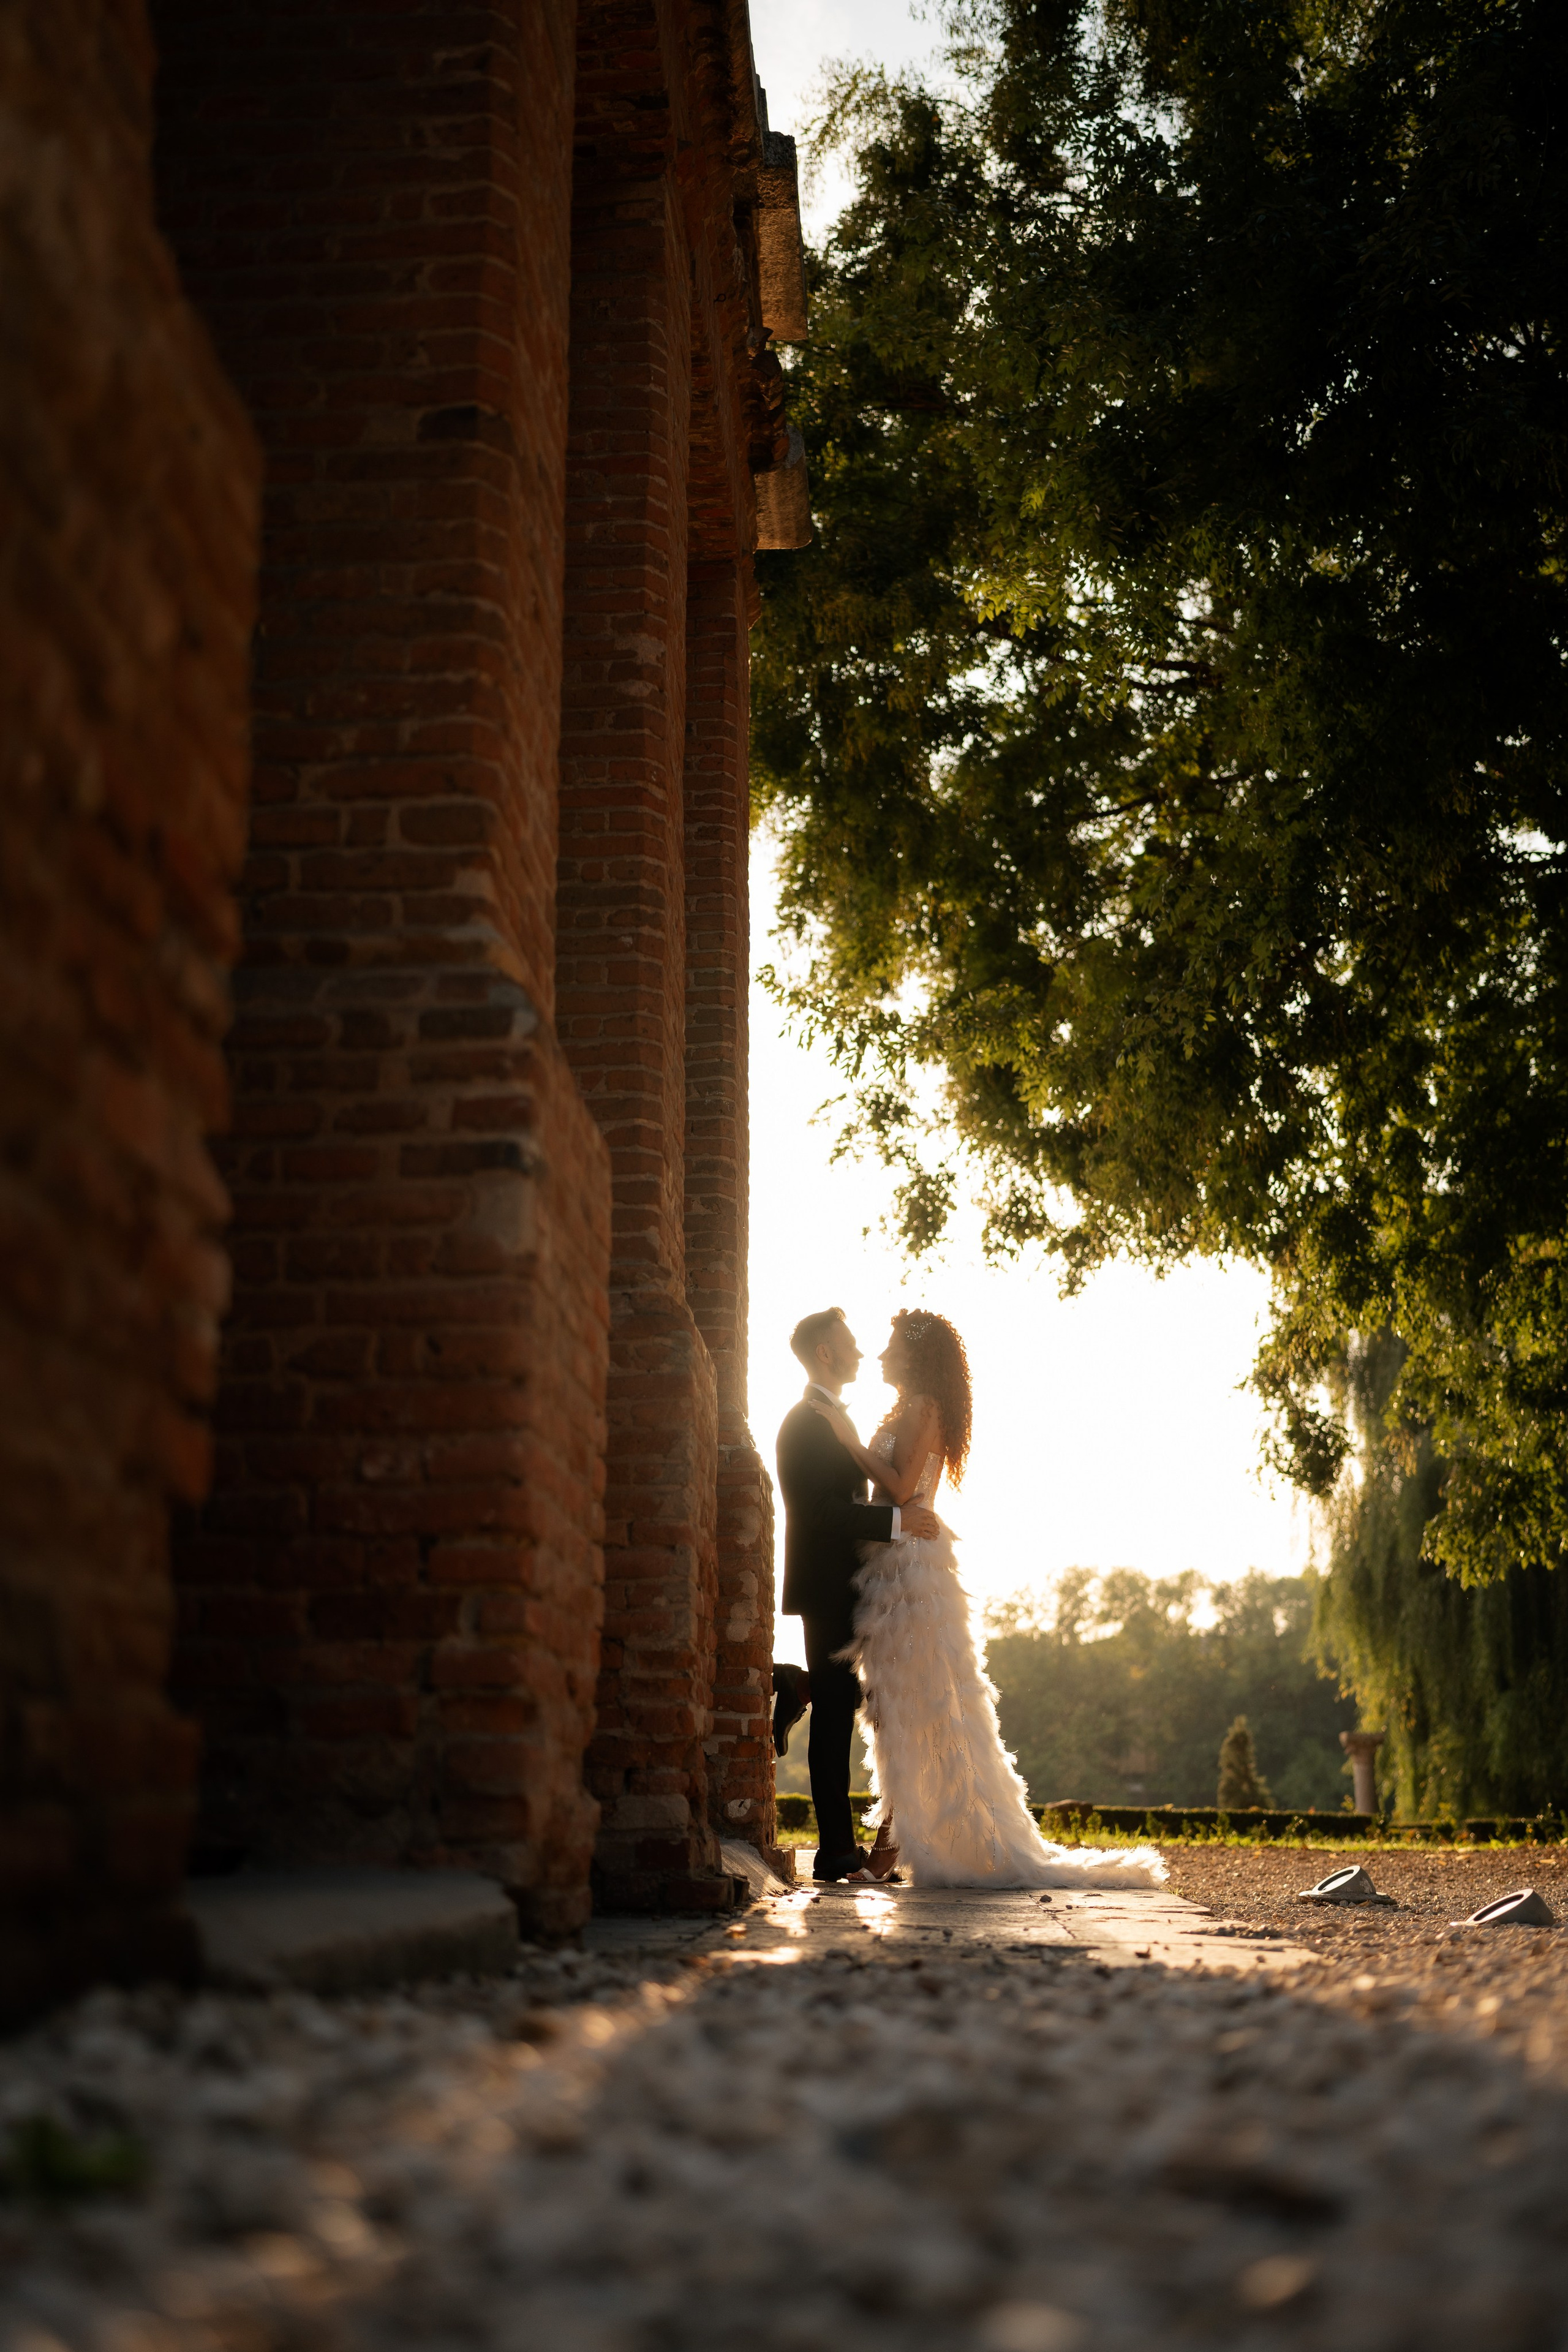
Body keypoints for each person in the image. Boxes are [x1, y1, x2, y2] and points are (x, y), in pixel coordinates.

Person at [809, 1308, 1166, 1891]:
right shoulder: (906, 1407)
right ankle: (890, 1847)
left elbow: (901, 1491)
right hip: (888, 1566)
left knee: (920, 1702)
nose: (880, 1355)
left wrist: (848, 1442)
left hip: (911, 1574)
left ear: (915, 1355)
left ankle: (887, 1852)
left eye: (891, 1346)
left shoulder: (924, 1407)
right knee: (899, 1706)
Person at [775, 1307, 941, 1882]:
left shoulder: (829, 1417)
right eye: (850, 1342)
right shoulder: (806, 1422)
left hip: (860, 1580)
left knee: (852, 1703)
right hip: (827, 1585)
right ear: (826, 1352)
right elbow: (819, 1511)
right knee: (836, 1722)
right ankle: (837, 1853)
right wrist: (897, 1528)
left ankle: (797, 1685)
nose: (862, 1351)